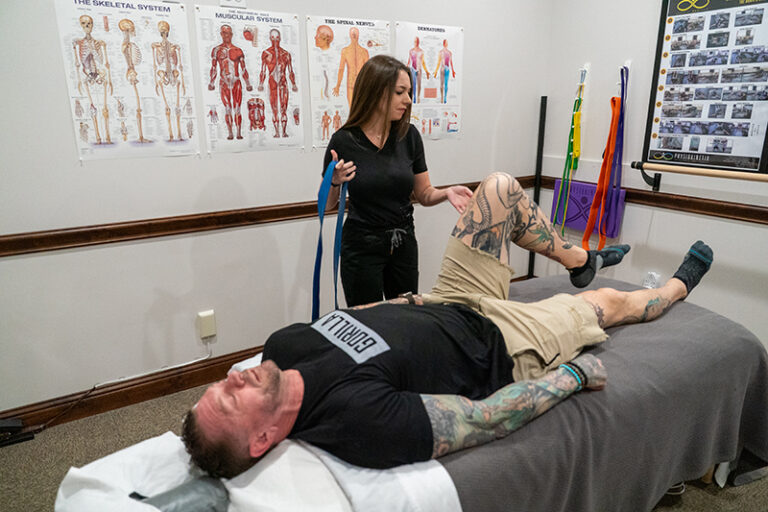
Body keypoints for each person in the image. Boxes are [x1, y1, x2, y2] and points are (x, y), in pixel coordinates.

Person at [182, 172, 714, 478]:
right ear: (264, 438)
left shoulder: (282, 346)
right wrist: (570, 378)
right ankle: (675, 288)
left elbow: (365, 315)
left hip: (447, 299)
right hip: (501, 342)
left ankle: (578, 260)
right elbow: (482, 419)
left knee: (500, 189)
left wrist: (415, 299)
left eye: (219, 386)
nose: (233, 378)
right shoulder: (356, 423)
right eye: (230, 400)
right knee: (609, 303)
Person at [323, 54, 473, 307]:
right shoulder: (343, 140)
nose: (408, 100)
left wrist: (445, 193)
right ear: (375, 92)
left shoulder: (409, 135)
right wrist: (334, 181)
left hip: (403, 244)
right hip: (362, 248)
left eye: (409, 92)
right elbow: (327, 205)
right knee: (367, 323)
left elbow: (424, 194)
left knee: (405, 320)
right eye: (400, 92)